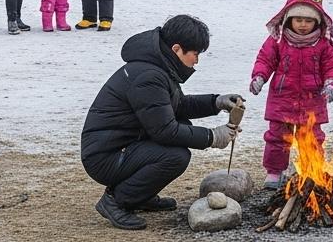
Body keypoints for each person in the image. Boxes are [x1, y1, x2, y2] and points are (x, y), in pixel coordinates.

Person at [81, 15, 245, 230]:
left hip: (120, 146)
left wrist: (216, 102)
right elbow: (165, 131)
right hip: (105, 156)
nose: (196, 60)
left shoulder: (158, 67)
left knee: (182, 125)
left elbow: (177, 106)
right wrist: (213, 137)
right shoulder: (149, 76)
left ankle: (139, 195)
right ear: (177, 49)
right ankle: (116, 200)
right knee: (175, 156)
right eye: (195, 53)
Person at [248, 0, 333, 189]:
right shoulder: (278, 40)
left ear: (317, 22)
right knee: (277, 139)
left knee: (312, 138)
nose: (303, 25)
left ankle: (311, 169)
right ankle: (274, 172)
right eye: (298, 20)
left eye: (308, 21)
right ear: (288, 19)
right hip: (282, 100)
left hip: (312, 100)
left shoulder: (323, 44)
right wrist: (259, 76)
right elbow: (265, 60)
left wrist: (332, 83)